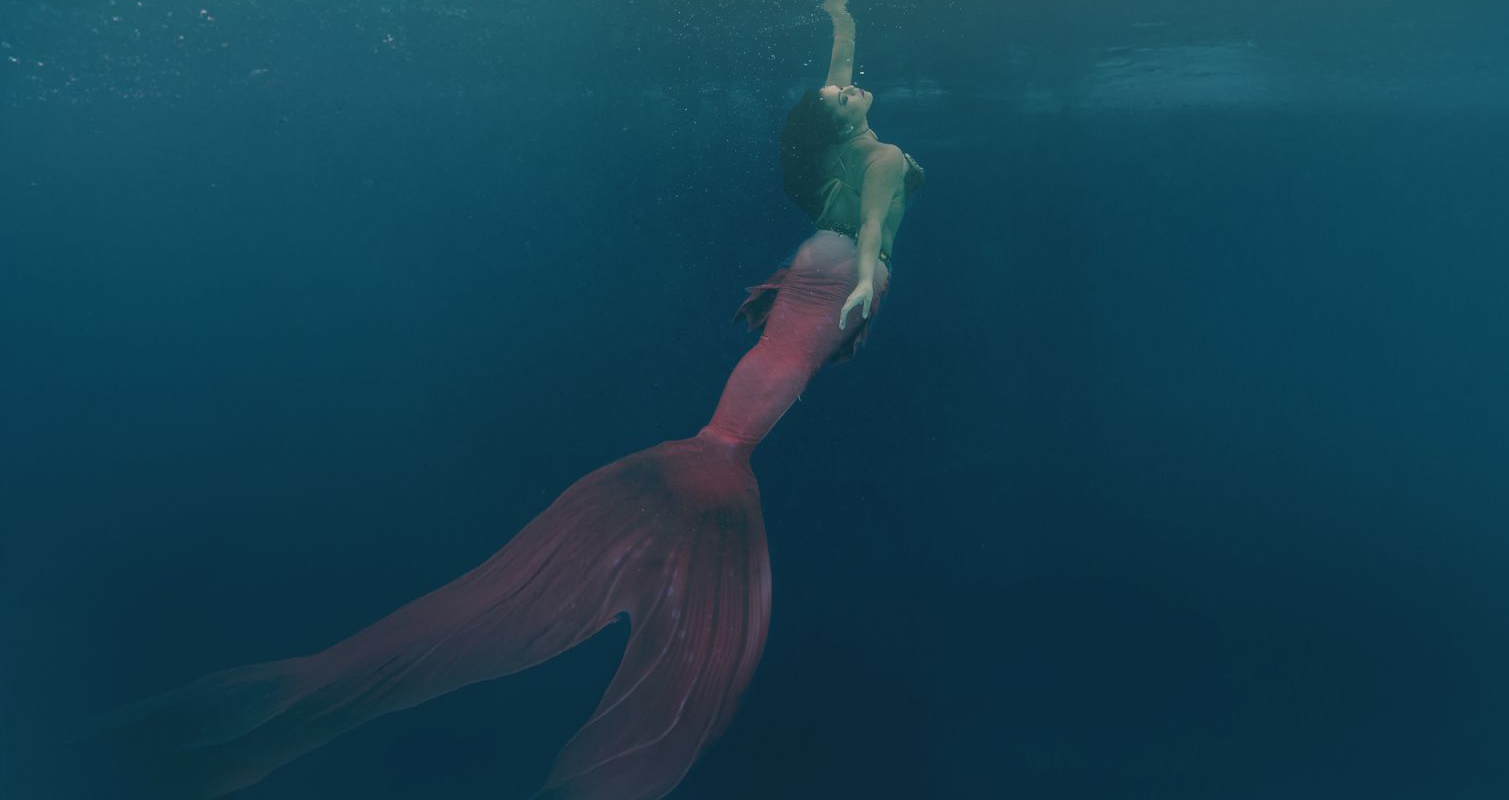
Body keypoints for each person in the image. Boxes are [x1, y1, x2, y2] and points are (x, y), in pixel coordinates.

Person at [94, 84, 923, 800]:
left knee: (433, 637)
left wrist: (837, 280)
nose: (852, 86)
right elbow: (873, 231)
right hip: (720, 457)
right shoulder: (874, 170)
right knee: (631, 682)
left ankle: (177, 751)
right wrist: (861, 292)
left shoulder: (843, 173)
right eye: (843, 92)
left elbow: (846, 143)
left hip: (712, 444)